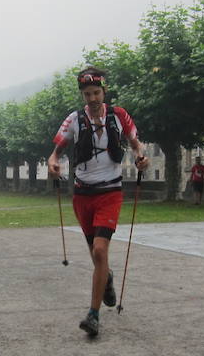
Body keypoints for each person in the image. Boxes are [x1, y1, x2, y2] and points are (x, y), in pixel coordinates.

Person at [47, 66, 149, 337]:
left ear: (104, 91)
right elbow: (56, 152)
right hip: (82, 195)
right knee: (96, 254)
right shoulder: (74, 119)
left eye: (96, 92)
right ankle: (107, 278)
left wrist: (141, 157)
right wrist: (53, 162)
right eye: (86, 94)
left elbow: (136, 143)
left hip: (110, 193)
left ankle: (93, 315)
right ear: (82, 95)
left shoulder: (119, 116)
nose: (92, 98)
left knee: (100, 252)